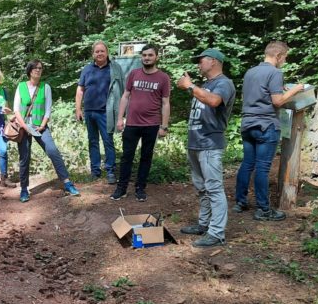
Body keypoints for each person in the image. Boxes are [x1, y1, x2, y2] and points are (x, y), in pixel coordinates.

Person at [234, 41, 304, 221]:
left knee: (248, 163)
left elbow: (259, 94)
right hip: (266, 125)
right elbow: (278, 102)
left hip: (248, 124)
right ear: (278, 56)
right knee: (263, 168)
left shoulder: (251, 72)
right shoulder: (275, 72)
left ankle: (240, 202)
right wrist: (295, 90)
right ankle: (263, 210)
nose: (284, 61)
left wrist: (280, 90)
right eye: (285, 58)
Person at [176, 49, 236, 247]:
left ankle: (217, 233)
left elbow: (214, 101)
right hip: (196, 143)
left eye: (201, 61)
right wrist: (192, 87)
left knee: (214, 189)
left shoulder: (223, 83)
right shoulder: (207, 84)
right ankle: (204, 224)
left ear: (213, 62)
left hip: (210, 144)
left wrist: (190, 85)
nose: (198, 65)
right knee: (201, 188)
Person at [13, 59, 80, 202]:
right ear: (30, 70)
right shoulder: (21, 87)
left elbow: (48, 109)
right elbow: (16, 110)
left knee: (53, 151)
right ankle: (24, 189)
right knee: (24, 157)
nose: (38, 70)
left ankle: (67, 183)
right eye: (35, 68)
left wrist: (43, 125)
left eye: (40, 68)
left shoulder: (46, 87)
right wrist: (25, 127)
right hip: (24, 128)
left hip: (40, 126)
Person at [111, 44, 171, 202]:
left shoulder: (163, 78)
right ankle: (121, 188)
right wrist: (120, 118)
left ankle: (140, 188)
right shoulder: (134, 74)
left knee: (146, 157)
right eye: (144, 55)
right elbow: (125, 96)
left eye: (150, 55)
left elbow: (165, 103)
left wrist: (164, 126)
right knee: (126, 156)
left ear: (156, 57)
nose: (147, 58)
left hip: (152, 124)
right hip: (132, 123)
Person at [74, 40, 124, 183]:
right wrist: (78, 109)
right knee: (93, 141)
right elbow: (80, 90)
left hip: (106, 112)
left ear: (107, 52)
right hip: (89, 112)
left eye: (102, 51)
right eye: (97, 51)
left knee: (108, 141)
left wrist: (121, 112)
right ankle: (95, 171)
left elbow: (122, 89)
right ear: (93, 54)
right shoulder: (87, 69)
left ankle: (110, 171)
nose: (100, 53)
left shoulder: (114, 69)